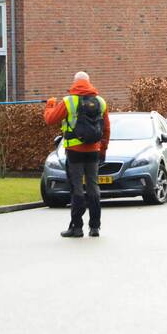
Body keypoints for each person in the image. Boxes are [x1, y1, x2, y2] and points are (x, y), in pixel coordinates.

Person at [44, 71, 110, 238]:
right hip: (94, 151)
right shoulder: (101, 102)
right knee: (94, 188)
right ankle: (95, 227)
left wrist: (50, 104)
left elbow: (50, 119)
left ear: (75, 83)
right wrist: (103, 149)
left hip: (74, 152)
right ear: (89, 83)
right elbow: (106, 129)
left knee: (77, 189)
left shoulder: (69, 101)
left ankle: (77, 228)